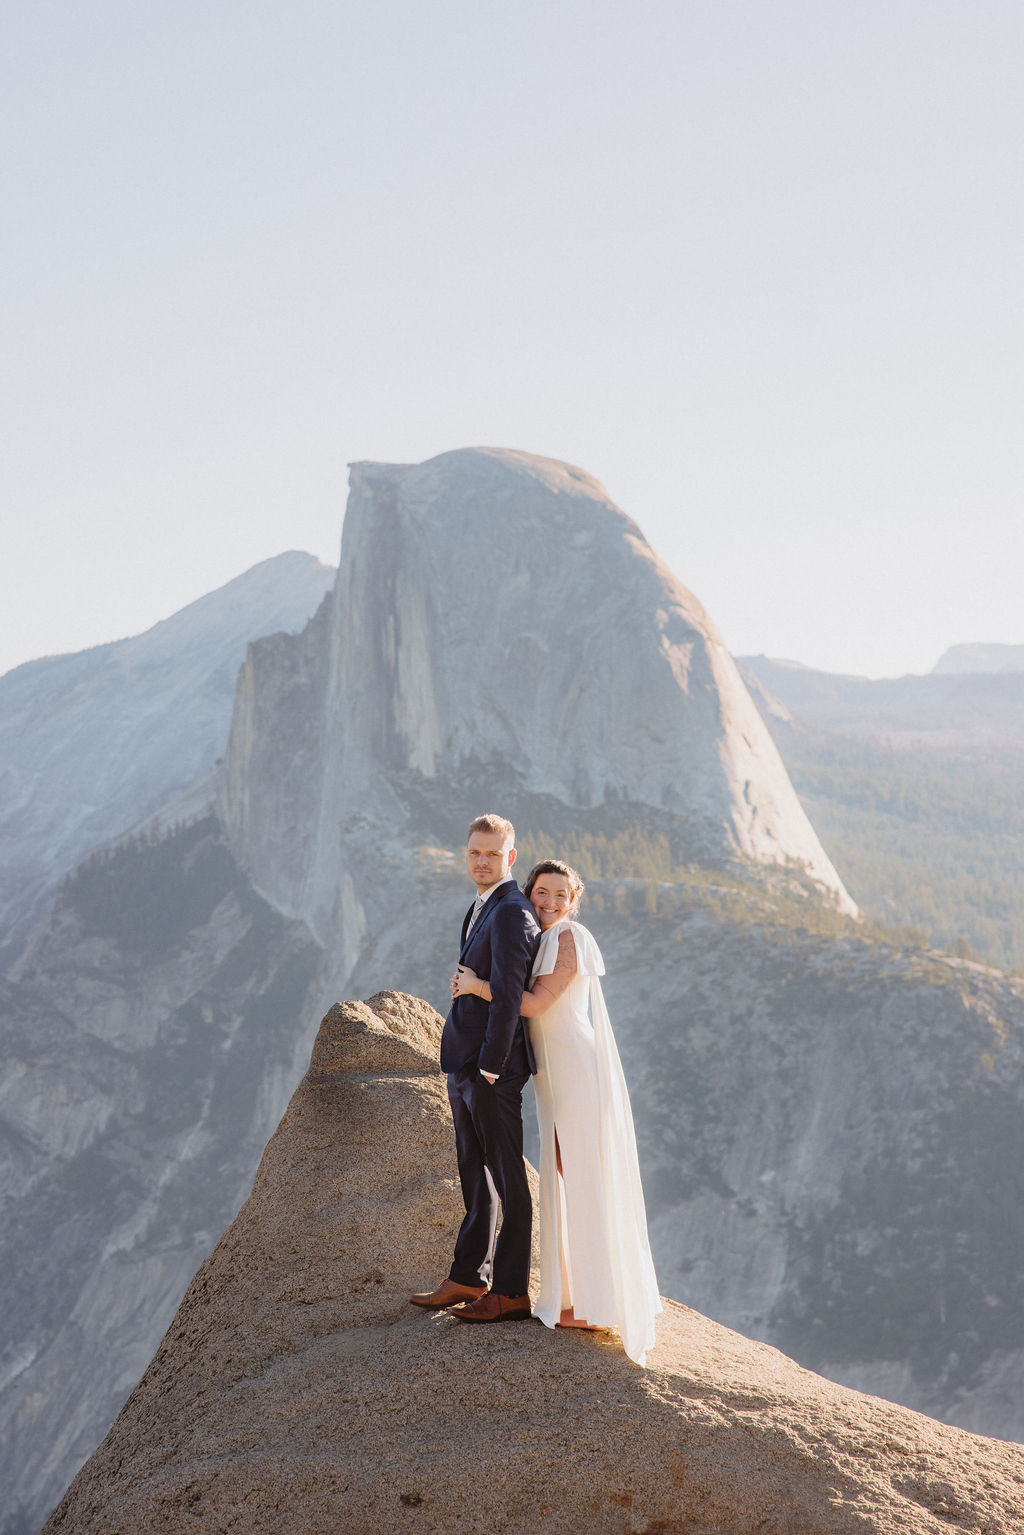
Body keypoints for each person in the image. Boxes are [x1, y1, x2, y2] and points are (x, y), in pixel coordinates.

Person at [453, 859, 661, 1365]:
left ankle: (596, 1304)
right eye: (542, 892)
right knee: (567, 1181)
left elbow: (538, 1004)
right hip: (556, 1080)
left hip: (578, 1075)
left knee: (584, 1180)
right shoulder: (539, 936)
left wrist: (476, 986)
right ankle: (579, 1296)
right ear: (529, 893)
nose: (550, 901)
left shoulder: (570, 937)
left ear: (574, 901)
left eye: (560, 895)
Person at [409, 814, 541, 1323]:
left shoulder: (511, 911)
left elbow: (510, 996)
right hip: (465, 1066)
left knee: (509, 1179)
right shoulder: (481, 905)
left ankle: (509, 1291)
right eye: (474, 853)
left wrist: (489, 1067)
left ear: (510, 858)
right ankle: (469, 1276)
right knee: (474, 1172)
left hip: (492, 1069)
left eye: (492, 854)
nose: (482, 862)